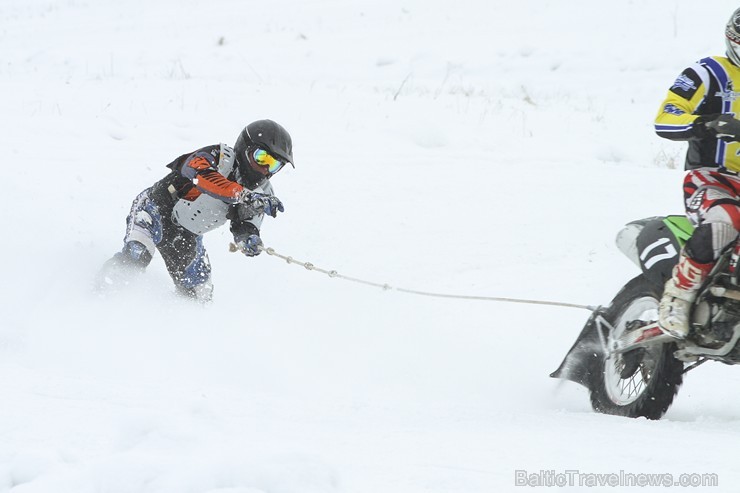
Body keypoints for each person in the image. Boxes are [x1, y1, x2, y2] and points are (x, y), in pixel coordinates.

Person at [96, 119, 294, 303]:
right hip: (155, 210)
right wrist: (242, 195)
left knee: (198, 294)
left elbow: (244, 224)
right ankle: (96, 300)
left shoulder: (262, 194)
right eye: (261, 158)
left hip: (186, 234)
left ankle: (179, 331)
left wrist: (249, 238)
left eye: (274, 164)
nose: (265, 169)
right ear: (244, 148)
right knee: (136, 257)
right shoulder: (220, 156)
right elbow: (201, 177)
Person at [655, 8, 740, 337]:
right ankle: (677, 295)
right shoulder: (708, 72)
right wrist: (708, 124)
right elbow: (667, 116)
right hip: (712, 178)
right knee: (727, 218)